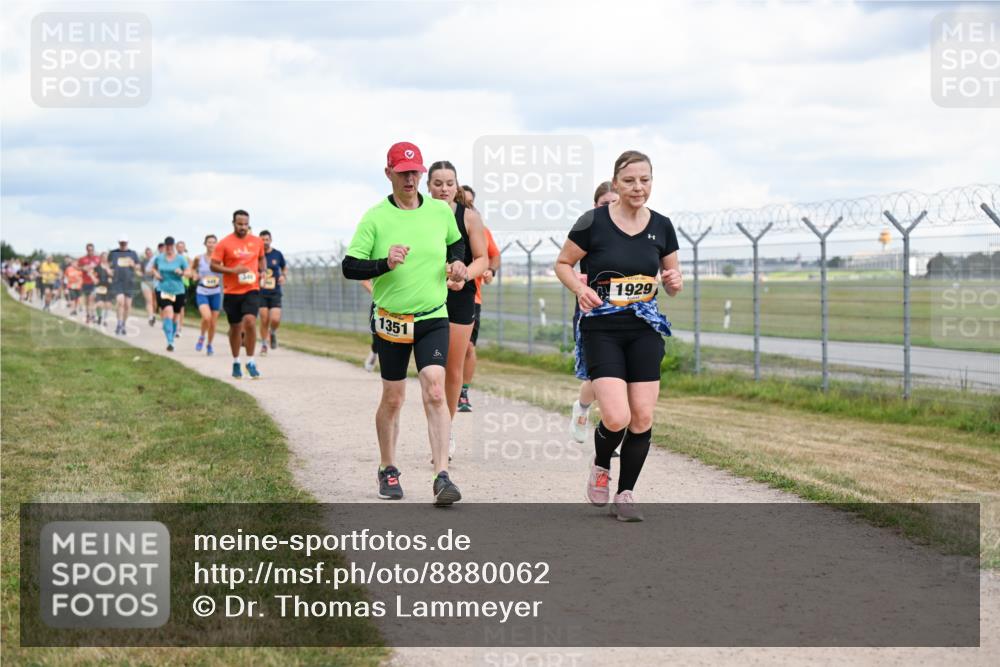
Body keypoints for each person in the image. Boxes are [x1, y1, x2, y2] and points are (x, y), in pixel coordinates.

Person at [554, 150, 683, 522]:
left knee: (641, 416)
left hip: (644, 327)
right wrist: (578, 290)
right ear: (615, 184)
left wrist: (674, 281)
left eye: (644, 180)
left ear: (652, 182)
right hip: (602, 328)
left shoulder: (662, 225)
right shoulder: (593, 222)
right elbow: (563, 263)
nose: (637, 187)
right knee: (616, 416)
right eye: (629, 180)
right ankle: (600, 463)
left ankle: (625, 493)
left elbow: (672, 280)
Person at [341, 141, 468, 505]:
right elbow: (350, 266)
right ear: (389, 174)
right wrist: (384, 263)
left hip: (432, 315)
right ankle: (387, 467)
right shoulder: (375, 217)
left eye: (415, 172)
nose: (410, 179)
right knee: (394, 398)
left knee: (433, 388)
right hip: (392, 320)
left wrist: (457, 264)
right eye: (403, 172)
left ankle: (442, 475)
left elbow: (455, 245)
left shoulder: (440, 212)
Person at [426, 160, 487, 457]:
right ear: (428, 186)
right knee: (430, 370)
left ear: (457, 185)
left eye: (449, 183)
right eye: (437, 183)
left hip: (460, 297)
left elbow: (482, 259)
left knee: (453, 367)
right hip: (424, 295)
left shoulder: (470, 217)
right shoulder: (419, 215)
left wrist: (465, 274)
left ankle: (446, 432)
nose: (443, 189)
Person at [570, 181, 621, 444]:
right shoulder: (588, 227)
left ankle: (610, 432)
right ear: (595, 205)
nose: (611, 208)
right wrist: (579, 283)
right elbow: (566, 264)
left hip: (626, 311)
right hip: (593, 309)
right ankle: (582, 407)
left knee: (622, 377)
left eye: (615, 202)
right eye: (605, 203)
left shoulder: (631, 229)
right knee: (598, 376)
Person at [211, 209, 266, 379]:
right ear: (233, 223)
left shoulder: (257, 242)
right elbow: (214, 265)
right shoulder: (224, 243)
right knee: (235, 327)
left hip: (251, 288)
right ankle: (236, 361)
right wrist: (232, 270)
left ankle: (250, 361)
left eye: (245, 224)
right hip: (232, 291)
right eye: (239, 224)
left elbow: (261, 258)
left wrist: (262, 271)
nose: (243, 227)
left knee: (250, 321)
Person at [458, 222, 501, 412]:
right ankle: (441, 387)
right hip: (439, 294)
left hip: (471, 296)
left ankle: (463, 392)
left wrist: (491, 271)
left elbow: (495, 255)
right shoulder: (439, 221)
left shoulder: (480, 229)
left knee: (468, 346)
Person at [151, 236, 190, 351]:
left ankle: (171, 339)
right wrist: (156, 274)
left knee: (175, 316)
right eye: (167, 246)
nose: (168, 248)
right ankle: (169, 341)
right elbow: (153, 269)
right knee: (168, 312)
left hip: (178, 290)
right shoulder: (159, 258)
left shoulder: (181, 259)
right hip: (163, 289)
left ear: (173, 246)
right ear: (165, 246)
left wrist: (182, 272)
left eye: (170, 246)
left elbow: (189, 272)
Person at [192, 234, 223, 355]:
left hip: (215, 292)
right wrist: (194, 275)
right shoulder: (198, 258)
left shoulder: (220, 260)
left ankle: (209, 345)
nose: (211, 244)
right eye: (209, 242)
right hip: (202, 291)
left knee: (213, 323)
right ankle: (201, 337)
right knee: (206, 317)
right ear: (205, 244)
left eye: (213, 242)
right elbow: (192, 269)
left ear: (217, 244)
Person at [258, 230, 287, 355]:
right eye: (262, 240)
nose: (265, 242)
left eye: (267, 239)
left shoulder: (277, 254)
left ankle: (273, 332)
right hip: (261, 292)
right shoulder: (257, 255)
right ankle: (264, 344)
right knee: (264, 319)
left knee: (275, 319)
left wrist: (283, 276)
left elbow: (284, 267)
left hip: (275, 291)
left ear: (271, 240)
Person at [108, 235, 142, 335]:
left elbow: (138, 267)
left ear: (127, 243)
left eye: (125, 243)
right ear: (119, 243)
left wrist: (133, 265)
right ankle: (118, 323)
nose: (123, 245)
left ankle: (123, 324)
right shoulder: (113, 253)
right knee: (120, 302)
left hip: (129, 282)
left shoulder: (133, 254)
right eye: (121, 243)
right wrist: (109, 271)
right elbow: (107, 265)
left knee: (127, 306)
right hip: (117, 281)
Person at [77, 243, 101, 323]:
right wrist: (83, 268)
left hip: (94, 282)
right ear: (86, 250)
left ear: (94, 250)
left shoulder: (97, 258)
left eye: (92, 250)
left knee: (92, 299)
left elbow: (101, 267)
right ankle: (88, 315)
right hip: (85, 282)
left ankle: (92, 315)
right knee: (87, 301)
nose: (90, 251)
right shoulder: (82, 259)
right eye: (89, 250)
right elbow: (77, 267)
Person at [175, 240, 192, 337]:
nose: (180, 248)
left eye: (182, 246)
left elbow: (191, 273)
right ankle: (174, 326)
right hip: (173, 285)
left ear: (184, 248)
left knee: (181, 307)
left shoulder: (188, 259)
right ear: (176, 248)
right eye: (179, 246)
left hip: (184, 285)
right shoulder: (172, 258)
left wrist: (184, 273)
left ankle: (179, 328)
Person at [361, 279, 379, 372]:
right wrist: (378, 295)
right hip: (380, 305)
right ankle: (374, 352)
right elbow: (364, 281)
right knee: (377, 337)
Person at [142, 245, 161, 326]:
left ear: (152, 253)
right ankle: (150, 317)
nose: (149, 254)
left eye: (150, 252)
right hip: (145, 282)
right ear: (146, 254)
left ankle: (154, 315)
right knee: (149, 300)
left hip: (155, 283)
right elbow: (141, 271)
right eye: (147, 253)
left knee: (155, 301)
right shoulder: (143, 262)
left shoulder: (156, 260)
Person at [93, 252, 113, 327]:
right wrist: (94, 279)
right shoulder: (97, 267)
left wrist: (110, 274)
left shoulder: (111, 267)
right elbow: (93, 274)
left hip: (109, 287)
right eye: (103, 257)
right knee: (99, 303)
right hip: (100, 287)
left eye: (106, 257)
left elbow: (113, 275)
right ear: (101, 258)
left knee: (107, 304)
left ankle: (105, 320)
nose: (105, 258)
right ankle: (98, 316)